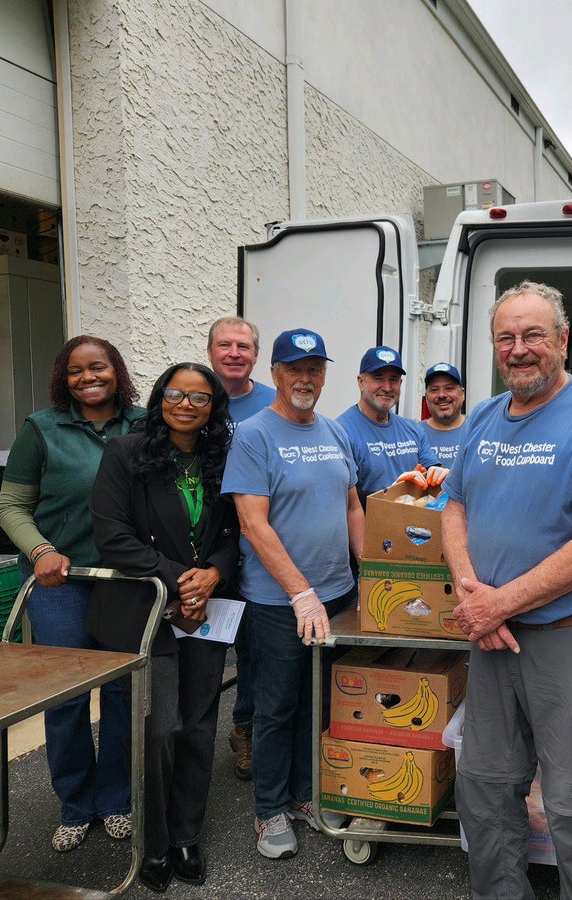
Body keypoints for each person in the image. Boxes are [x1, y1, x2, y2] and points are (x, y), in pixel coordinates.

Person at [442, 281, 572, 900]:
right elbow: (453, 508)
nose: (519, 349)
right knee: (484, 788)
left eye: (533, 335)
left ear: (561, 341)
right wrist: (474, 593)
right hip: (494, 638)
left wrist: (495, 604)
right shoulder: (481, 416)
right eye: (507, 337)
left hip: (570, 639)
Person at [88, 363, 240, 892]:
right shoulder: (126, 453)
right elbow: (113, 538)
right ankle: (152, 845)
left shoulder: (223, 457)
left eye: (200, 398)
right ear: (160, 397)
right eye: (176, 394)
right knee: (160, 729)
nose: (186, 405)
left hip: (210, 608)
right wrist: (185, 583)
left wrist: (215, 573)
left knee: (200, 725)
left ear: (213, 408)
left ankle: (185, 837)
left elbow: (235, 529)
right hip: (150, 609)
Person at [0, 336, 143, 852]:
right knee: (67, 697)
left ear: (115, 370)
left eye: (97, 367)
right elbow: (11, 505)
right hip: (60, 581)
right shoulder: (42, 429)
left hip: (126, 585)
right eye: (76, 371)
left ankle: (117, 799)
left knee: (124, 694)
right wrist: (39, 551)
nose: (88, 378)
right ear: (64, 378)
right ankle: (76, 805)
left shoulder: (143, 424)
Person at [221, 328, 363, 859]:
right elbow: (253, 525)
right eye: (295, 369)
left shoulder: (333, 431)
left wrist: (369, 570)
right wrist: (300, 592)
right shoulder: (255, 435)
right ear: (276, 374)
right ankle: (269, 809)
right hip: (280, 601)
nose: (306, 378)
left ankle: (306, 794)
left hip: (338, 593)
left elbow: (352, 505)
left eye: (315, 369)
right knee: (277, 706)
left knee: (320, 700)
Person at [206, 315, 275, 782]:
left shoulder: (274, 404)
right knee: (202, 646)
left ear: (255, 355)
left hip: (254, 541)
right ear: (210, 351)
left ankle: (244, 727)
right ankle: (188, 738)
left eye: (243, 346)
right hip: (204, 542)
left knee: (251, 647)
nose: (234, 353)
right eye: (225, 345)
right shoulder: (194, 398)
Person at [336, 346, 441, 502]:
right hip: (369, 525)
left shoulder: (413, 429)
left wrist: (438, 476)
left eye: (393, 380)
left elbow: (433, 475)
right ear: (361, 382)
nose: (387, 387)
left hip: (415, 524)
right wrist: (393, 492)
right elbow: (342, 495)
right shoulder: (341, 431)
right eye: (378, 378)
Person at [420, 362, 466, 465]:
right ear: (426, 398)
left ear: (462, 394)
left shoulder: (478, 429)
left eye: (449, 388)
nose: (441, 395)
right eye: (434, 390)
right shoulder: (414, 434)